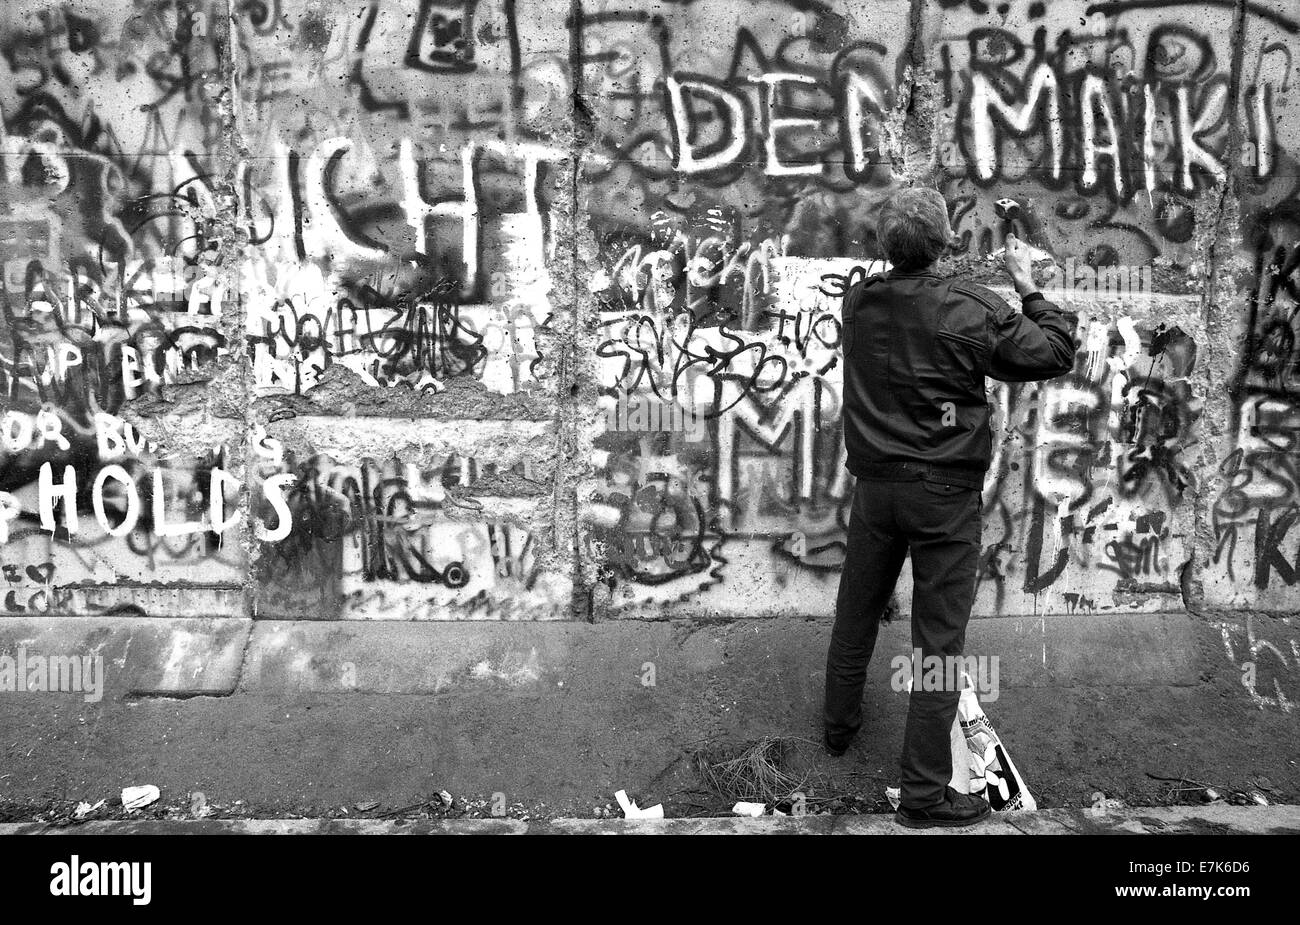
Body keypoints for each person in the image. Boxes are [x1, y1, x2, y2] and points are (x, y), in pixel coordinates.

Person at [823, 187, 1078, 829]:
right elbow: (1051, 353)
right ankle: (923, 796)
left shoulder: (859, 303)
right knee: (938, 644)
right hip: (943, 495)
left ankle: (837, 729)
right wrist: (1028, 288)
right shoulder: (971, 309)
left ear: (885, 246)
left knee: (856, 609)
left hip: (876, 490)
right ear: (943, 245)